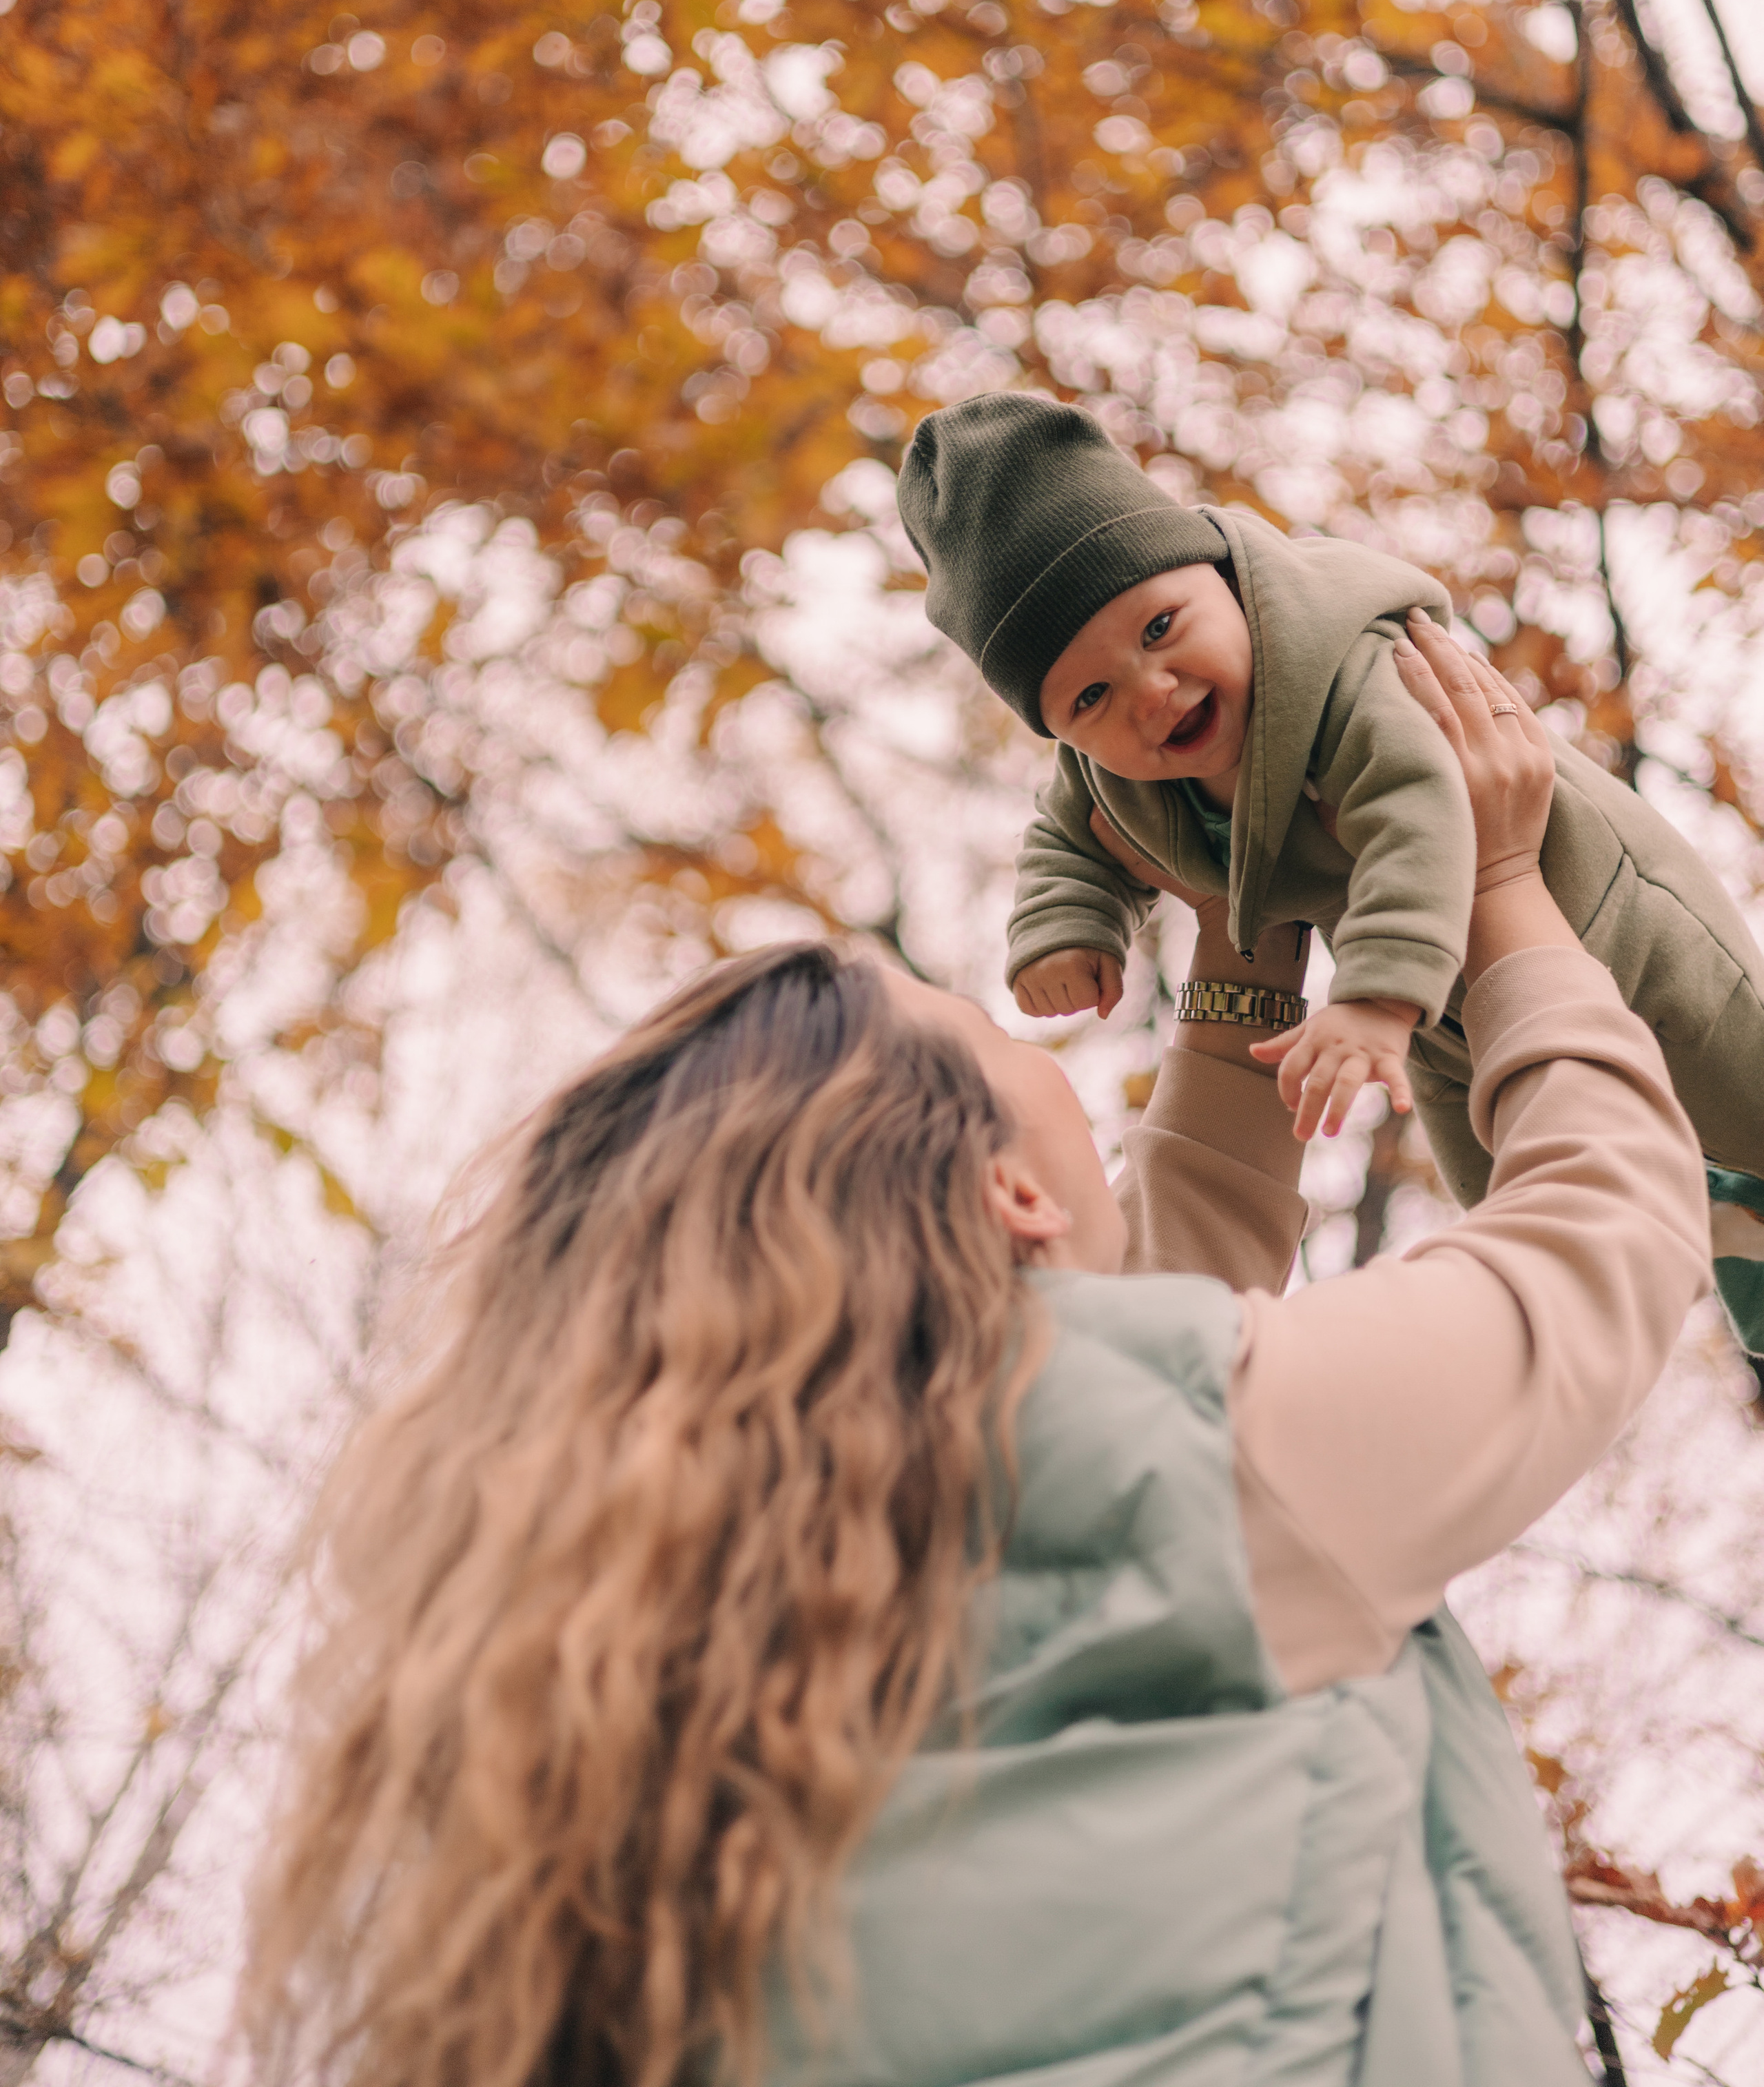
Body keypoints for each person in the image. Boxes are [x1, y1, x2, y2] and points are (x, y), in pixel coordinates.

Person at [243, 617, 1715, 2087]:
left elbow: (1143, 1319)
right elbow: (1605, 1233)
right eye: (992, 1038)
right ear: (1004, 1190)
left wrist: (1243, 932)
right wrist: (1511, 894)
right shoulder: (1184, 1460)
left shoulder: (728, 1631)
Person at [896, 389, 1764, 1344]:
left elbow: (1418, 809)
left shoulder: (1345, 671)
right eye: (1092, 697)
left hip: (1598, 924)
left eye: (1159, 628)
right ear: (1062, 731)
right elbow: (1066, 840)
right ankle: (1711, 1263)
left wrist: (1373, 1000)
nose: (1152, 691)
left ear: (1218, 573)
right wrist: (1065, 925)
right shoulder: (1108, 778)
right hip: (1440, 1020)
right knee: (1518, 1207)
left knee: (1745, 1095)